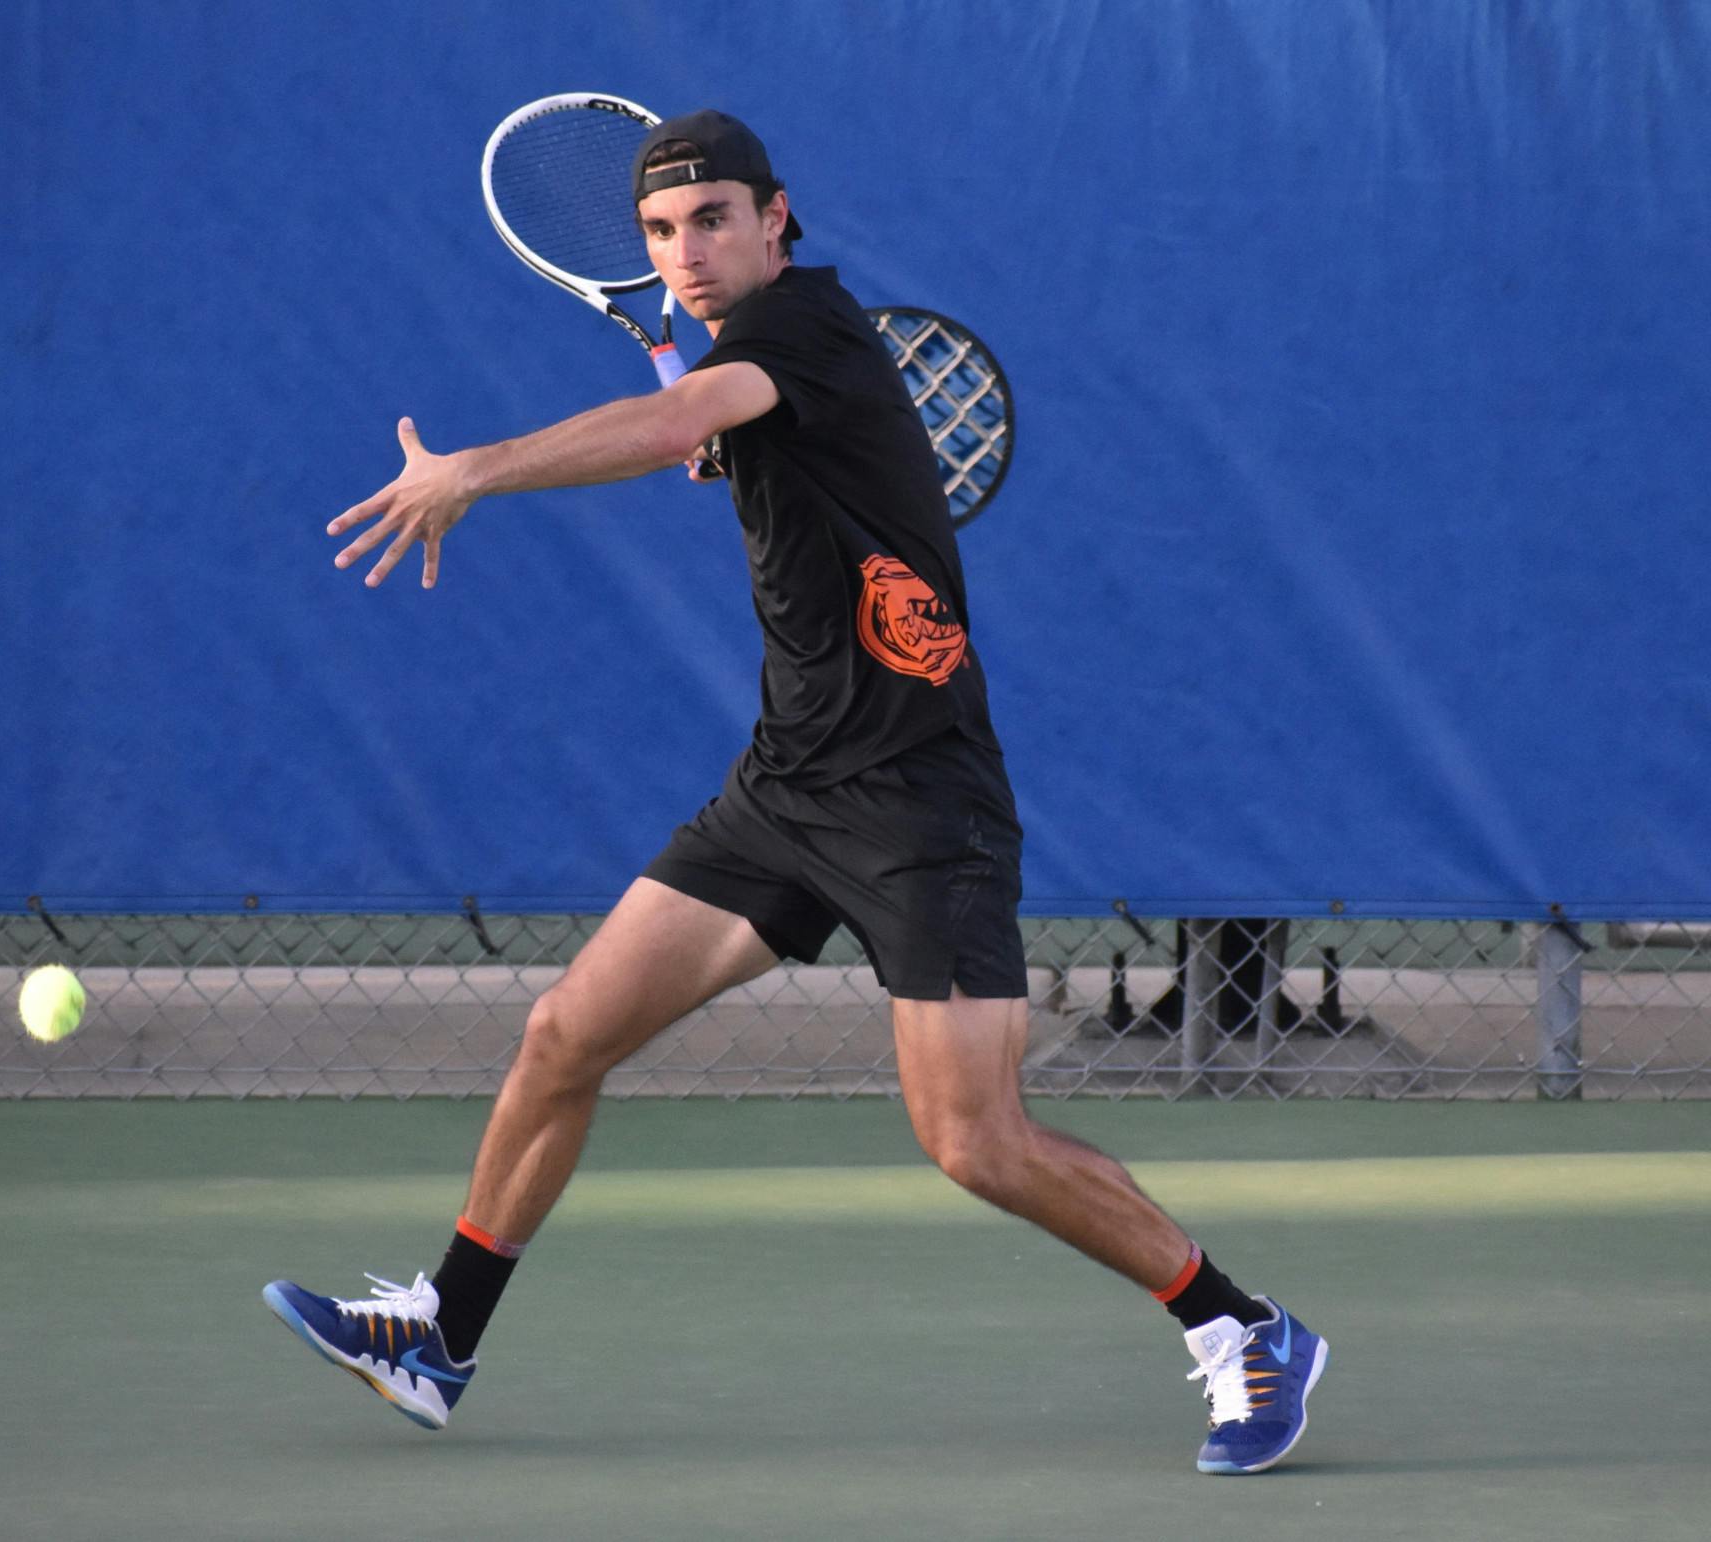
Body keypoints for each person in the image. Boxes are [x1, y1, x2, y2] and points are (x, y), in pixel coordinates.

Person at [264, 109, 1326, 1476]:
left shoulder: (806, 332)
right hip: (786, 784)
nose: (685, 251)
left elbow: (673, 422)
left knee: (975, 1140)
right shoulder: (748, 361)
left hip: (919, 804)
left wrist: (477, 466)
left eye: (713, 219)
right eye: (659, 231)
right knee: (564, 1032)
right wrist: (708, 428)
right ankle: (438, 1333)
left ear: (780, 220)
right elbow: (713, 433)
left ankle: (1245, 1328)